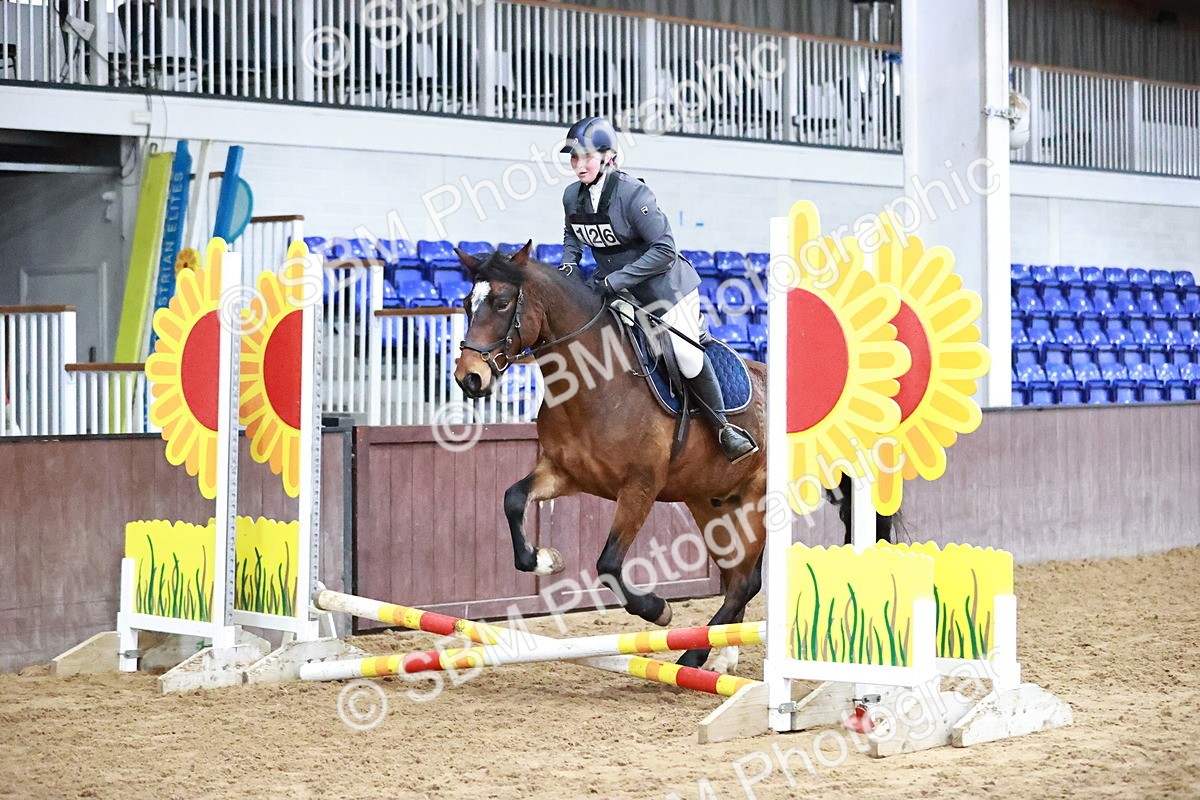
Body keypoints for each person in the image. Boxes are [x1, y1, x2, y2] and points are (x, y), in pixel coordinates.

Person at [559, 116, 758, 464]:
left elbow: (664, 249)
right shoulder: (571, 197)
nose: (578, 166)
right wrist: (569, 263)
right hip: (623, 294)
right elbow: (572, 234)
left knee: (685, 355)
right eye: (573, 158)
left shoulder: (634, 195)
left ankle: (724, 429)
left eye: (586, 157)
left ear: (609, 157)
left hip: (667, 291)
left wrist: (616, 280)